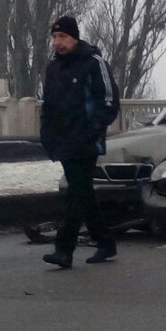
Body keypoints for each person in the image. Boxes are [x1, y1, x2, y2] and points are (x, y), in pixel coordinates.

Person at [38, 16, 120, 268]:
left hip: (86, 141)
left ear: (74, 38)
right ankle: (105, 242)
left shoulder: (94, 63)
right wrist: (46, 134)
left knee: (76, 195)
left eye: (62, 37)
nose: (57, 42)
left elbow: (109, 101)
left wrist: (93, 129)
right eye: (54, 37)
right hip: (63, 141)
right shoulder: (53, 68)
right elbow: (48, 106)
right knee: (83, 193)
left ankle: (64, 250)